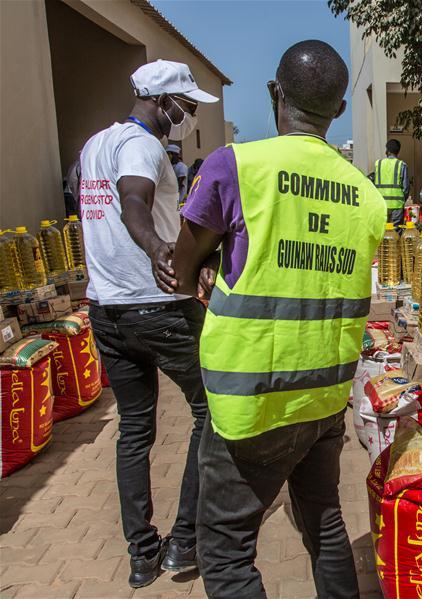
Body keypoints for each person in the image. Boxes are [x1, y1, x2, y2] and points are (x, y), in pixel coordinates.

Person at [171, 40, 385, 598]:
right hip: (324, 395)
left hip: (253, 402)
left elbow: (179, 264)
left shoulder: (236, 166)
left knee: (224, 550)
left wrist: (212, 261)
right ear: (339, 111)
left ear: (274, 92)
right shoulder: (366, 196)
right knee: (325, 523)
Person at [78, 59, 218, 588]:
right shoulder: (142, 146)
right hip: (154, 304)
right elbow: (132, 199)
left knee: (134, 429)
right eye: (185, 104)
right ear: (162, 101)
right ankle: (184, 543)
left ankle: (141, 554)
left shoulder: (94, 145)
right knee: (210, 407)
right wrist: (158, 246)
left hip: (106, 309)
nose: (187, 114)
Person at [373, 138, 409, 226]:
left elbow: (373, 184)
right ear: (398, 151)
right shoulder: (401, 165)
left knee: (382, 232)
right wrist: (402, 200)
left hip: (381, 205)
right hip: (397, 205)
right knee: (395, 234)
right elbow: (406, 188)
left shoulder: (378, 164)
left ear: (387, 151)